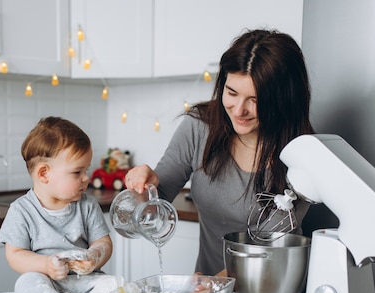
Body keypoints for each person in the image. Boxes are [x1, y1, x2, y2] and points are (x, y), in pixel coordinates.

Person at [125, 29, 314, 276]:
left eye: (255, 100)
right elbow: (155, 209)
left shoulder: (303, 153)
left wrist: (215, 285)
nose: (238, 110)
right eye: (232, 93)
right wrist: (143, 190)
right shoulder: (198, 127)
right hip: (210, 287)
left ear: (283, 100)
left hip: (272, 291)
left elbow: (269, 247)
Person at [0, 116, 118, 293]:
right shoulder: (21, 210)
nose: (86, 178)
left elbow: (103, 243)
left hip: (85, 283)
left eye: (86, 170)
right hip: (47, 283)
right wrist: (46, 265)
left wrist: (94, 256)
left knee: (117, 287)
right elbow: (14, 255)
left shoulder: (87, 205)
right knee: (26, 283)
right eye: (77, 172)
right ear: (44, 174)